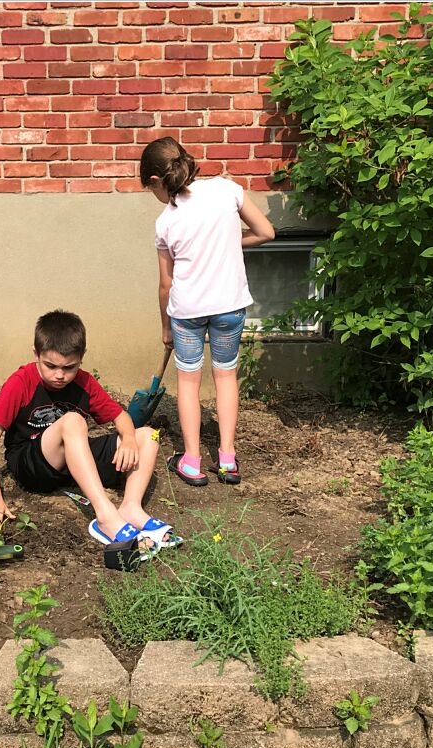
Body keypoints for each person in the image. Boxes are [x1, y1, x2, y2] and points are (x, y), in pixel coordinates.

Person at [0, 310, 179, 556]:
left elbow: (121, 417)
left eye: (69, 367)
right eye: (50, 366)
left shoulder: (84, 382)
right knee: (72, 421)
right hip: (32, 463)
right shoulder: (21, 381)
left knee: (147, 436)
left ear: (81, 358)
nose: (60, 375)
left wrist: (127, 438)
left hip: (72, 460)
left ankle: (131, 508)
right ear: (36, 354)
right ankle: (105, 515)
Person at [140, 136, 275, 486]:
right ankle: (228, 459)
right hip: (230, 306)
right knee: (226, 376)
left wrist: (166, 328)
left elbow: (165, 285)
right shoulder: (227, 190)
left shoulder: (166, 222)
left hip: (187, 312)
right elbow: (266, 232)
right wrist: (231, 240)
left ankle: (192, 460)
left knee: (188, 382)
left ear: (156, 181)